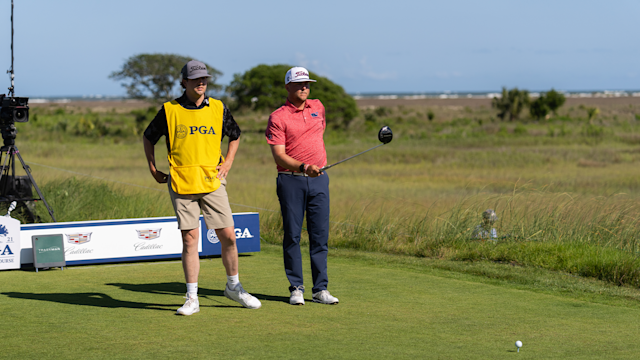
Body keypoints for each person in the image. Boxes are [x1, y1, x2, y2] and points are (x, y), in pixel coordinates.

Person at [143, 60, 261, 315]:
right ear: (184, 82)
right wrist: (153, 169)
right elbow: (149, 136)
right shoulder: (169, 110)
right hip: (182, 182)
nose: (201, 83)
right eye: (195, 79)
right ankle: (192, 298)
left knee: (228, 235)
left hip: (212, 181)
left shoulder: (218, 108)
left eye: (204, 79)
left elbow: (235, 135)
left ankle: (233, 287)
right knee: (190, 239)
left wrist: (228, 162)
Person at [265, 66, 339, 306]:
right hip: (291, 180)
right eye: (299, 84)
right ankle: (296, 287)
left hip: (319, 180)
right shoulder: (278, 117)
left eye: (307, 84)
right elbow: (279, 156)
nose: (304, 87)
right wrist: (304, 166)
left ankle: (320, 289)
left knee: (320, 236)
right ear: (288, 86)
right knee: (293, 236)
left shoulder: (318, 107)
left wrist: (314, 167)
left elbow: (317, 136)